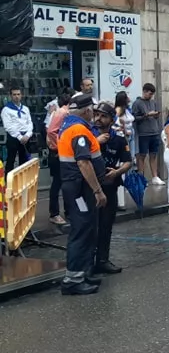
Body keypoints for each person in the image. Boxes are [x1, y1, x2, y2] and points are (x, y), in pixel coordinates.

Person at [57, 94, 107, 295]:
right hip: (79, 188)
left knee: (87, 228)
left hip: (77, 186)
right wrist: (98, 190)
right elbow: (84, 162)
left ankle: (82, 272)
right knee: (81, 229)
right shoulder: (78, 130)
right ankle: (72, 280)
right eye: (93, 111)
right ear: (87, 110)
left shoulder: (69, 125)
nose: (93, 114)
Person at [92, 101, 132, 276]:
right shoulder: (88, 136)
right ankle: (88, 262)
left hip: (110, 186)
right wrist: (95, 142)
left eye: (103, 116)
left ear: (111, 119)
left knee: (106, 225)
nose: (98, 119)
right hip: (91, 188)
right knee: (90, 226)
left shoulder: (119, 139)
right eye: (96, 115)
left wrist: (117, 172)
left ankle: (103, 260)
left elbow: (128, 162)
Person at [45, 89, 73, 226]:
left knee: (65, 182)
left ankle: (67, 212)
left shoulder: (61, 112)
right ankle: (54, 213)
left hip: (60, 152)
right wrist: (61, 145)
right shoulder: (63, 112)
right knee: (58, 183)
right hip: (58, 153)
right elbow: (51, 131)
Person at [132, 83, 163, 185]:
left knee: (153, 155)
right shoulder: (137, 103)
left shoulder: (153, 102)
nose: (151, 96)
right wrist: (146, 115)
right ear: (144, 91)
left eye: (152, 94)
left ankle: (155, 176)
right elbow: (134, 118)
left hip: (154, 132)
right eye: (149, 94)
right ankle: (141, 178)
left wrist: (156, 115)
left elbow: (156, 116)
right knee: (142, 156)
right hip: (143, 133)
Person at [2, 84, 33, 172]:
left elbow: (30, 123)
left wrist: (27, 135)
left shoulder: (25, 109)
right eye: (14, 94)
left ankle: (23, 180)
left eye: (18, 94)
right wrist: (19, 137)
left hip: (26, 137)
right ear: (11, 96)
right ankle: (8, 180)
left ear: (21, 95)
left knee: (24, 162)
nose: (16, 96)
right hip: (13, 138)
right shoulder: (6, 110)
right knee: (10, 161)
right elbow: (8, 126)